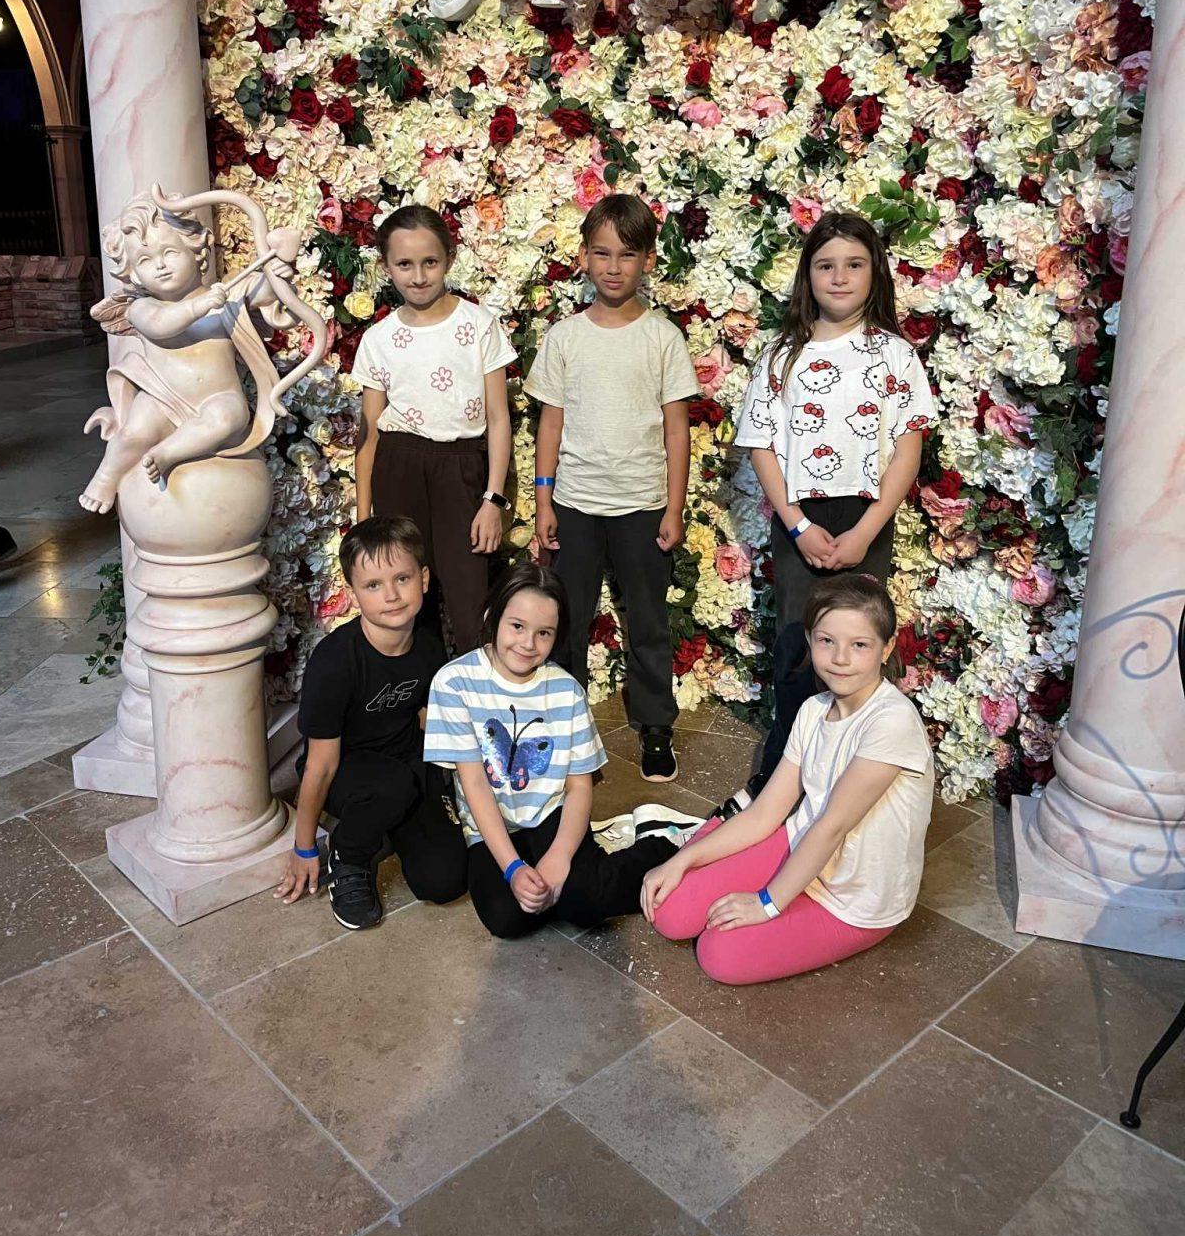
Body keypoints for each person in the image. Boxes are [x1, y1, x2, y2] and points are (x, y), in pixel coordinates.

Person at [725, 211, 935, 808]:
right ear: (807, 276)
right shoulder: (781, 356)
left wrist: (867, 531)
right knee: (800, 645)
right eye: (825, 266)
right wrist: (797, 525)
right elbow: (762, 445)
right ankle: (783, 780)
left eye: (853, 265)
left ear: (874, 274)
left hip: (866, 518)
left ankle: (853, 777)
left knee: (859, 642)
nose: (839, 277)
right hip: (802, 521)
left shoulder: (895, 356)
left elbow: (907, 450)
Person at [642, 574, 934, 986]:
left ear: (886, 649)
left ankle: (775, 903)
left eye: (859, 645)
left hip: (854, 897)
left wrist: (766, 904)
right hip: (799, 843)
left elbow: (833, 826)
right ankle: (702, 846)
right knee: (669, 909)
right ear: (810, 639)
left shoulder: (892, 721)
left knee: (720, 954)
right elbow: (766, 813)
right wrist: (681, 861)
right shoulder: (814, 710)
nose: (840, 658)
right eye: (827, 641)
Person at [525, 194, 696, 783]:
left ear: (648, 260)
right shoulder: (565, 338)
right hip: (574, 504)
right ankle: (565, 729)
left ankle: (655, 726)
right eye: (602, 253)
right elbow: (551, 423)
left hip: (643, 505)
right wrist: (543, 500)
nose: (614, 267)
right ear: (583, 257)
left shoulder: (662, 338)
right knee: (566, 621)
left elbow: (676, 428)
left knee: (647, 621)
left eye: (627, 254)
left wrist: (673, 508)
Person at [423, 561, 682, 939]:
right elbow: (475, 785)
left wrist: (560, 857)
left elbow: (579, 786)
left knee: (584, 905)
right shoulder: (454, 682)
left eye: (543, 633)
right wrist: (514, 869)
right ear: (492, 616)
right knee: (508, 918)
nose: (528, 644)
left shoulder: (566, 691)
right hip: (491, 826)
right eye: (517, 626)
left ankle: (662, 847)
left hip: (552, 815)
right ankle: (575, 877)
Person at [274, 515, 468, 931]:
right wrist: (304, 846)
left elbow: (428, 722)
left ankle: (387, 823)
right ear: (353, 593)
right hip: (346, 771)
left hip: (403, 765)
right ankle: (349, 854)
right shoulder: (335, 661)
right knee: (390, 786)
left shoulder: (429, 647)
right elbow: (320, 764)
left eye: (402, 579)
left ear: (424, 579)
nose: (392, 595)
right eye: (374, 585)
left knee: (445, 881)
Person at [351, 204, 515, 655]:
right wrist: (365, 517)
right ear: (387, 267)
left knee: (469, 596)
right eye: (405, 264)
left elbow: (499, 418)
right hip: (398, 466)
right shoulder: (378, 339)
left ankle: (472, 690)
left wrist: (492, 499)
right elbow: (369, 434)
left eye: (430, 262)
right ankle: (417, 692)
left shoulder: (478, 325)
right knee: (405, 597)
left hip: (461, 469)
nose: (419, 276)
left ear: (449, 259)